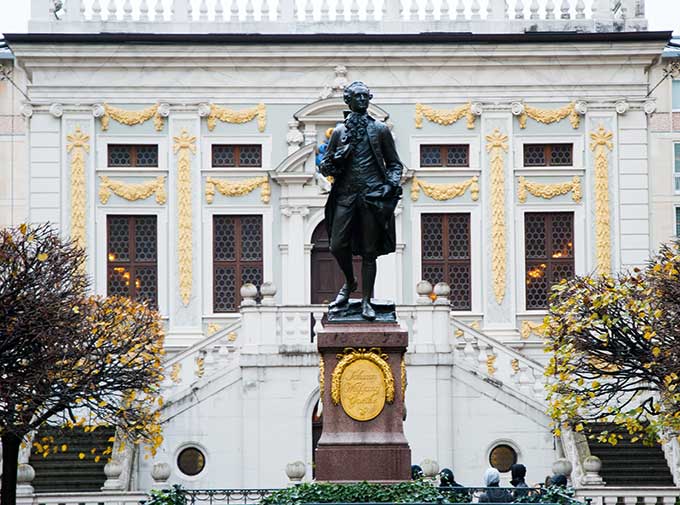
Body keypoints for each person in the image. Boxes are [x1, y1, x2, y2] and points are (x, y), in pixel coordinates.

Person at [319, 81, 403, 320]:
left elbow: (395, 164)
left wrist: (390, 184)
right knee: (336, 245)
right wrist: (337, 156)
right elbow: (325, 168)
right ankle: (350, 280)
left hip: (371, 196)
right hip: (345, 195)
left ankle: (366, 300)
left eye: (366, 96)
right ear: (348, 101)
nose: (363, 100)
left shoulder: (380, 130)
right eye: (358, 97)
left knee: (369, 251)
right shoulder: (339, 132)